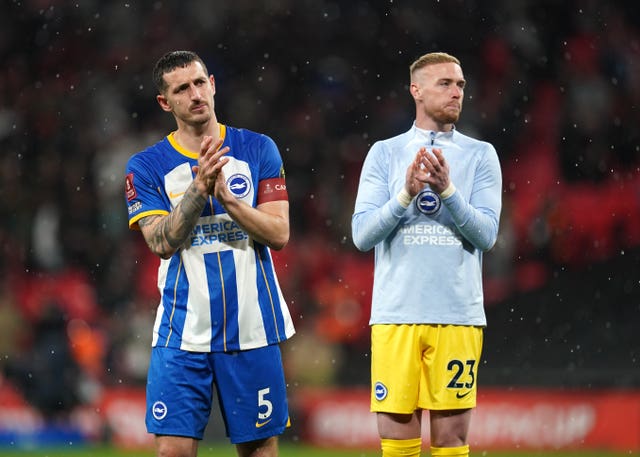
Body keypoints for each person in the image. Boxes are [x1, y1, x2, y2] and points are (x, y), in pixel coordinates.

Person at [124, 50, 295, 457]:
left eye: (200, 83)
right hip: (183, 332)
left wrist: (232, 204)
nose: (195, 94)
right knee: (172, 452)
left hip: (252, 328)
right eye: (181, 89)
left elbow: (279, 233)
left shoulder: (258, 149)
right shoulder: (146, 166)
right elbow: (160, 242)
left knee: (260, 452)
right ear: (166, 102)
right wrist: (198, 191)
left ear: (213, 84)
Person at [351, 52, 502, 457]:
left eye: (461, 85)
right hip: (396, 315)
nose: (457, 92)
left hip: (456, 316)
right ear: (416, 90)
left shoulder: (480, 154)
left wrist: (448, 191)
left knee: (451, 442)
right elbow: (362, 236)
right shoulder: (384, 153)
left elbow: (487, 235)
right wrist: (405, 194)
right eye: (445, 84)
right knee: (397, 443)